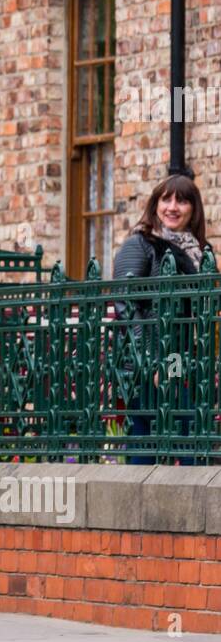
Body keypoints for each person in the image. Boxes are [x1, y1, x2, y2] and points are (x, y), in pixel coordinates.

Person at [112, 174, 206, 465]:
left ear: (193, 209)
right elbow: (126, 304)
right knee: (167, 432)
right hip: (143, 360)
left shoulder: (198, 252)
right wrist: (151, 363)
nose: (173, 206)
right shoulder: (141, 244)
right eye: (166, 199)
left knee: (175, 431)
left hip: (177, 356)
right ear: (155, 205)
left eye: (182, 200)